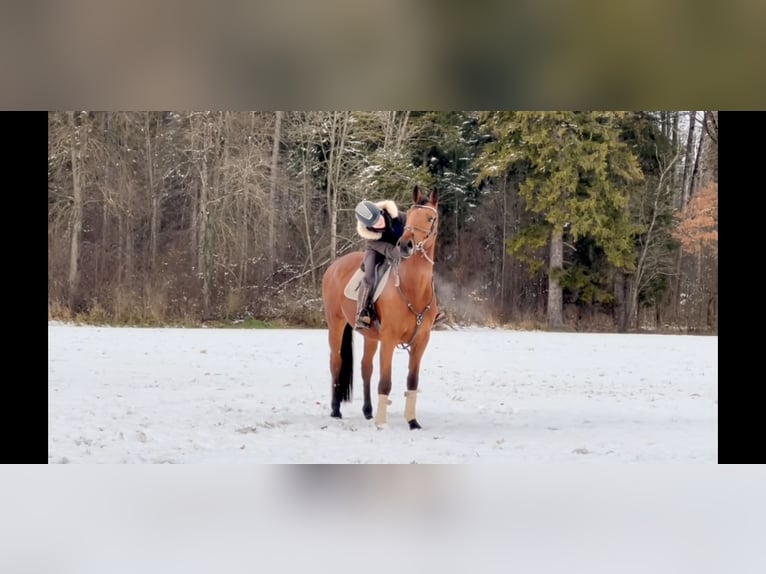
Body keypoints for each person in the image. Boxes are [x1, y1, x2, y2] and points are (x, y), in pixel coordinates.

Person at [354, 199, 405, 329]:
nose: (379, 222)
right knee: (370, 277)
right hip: (378, 251)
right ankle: (362, 312)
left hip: (403, 246)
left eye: (378, 217)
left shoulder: (400, 217)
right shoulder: (371, 238)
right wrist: (403, 249)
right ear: (368, 226)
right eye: (374, 223)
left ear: (381, 211)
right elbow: (392, 252)